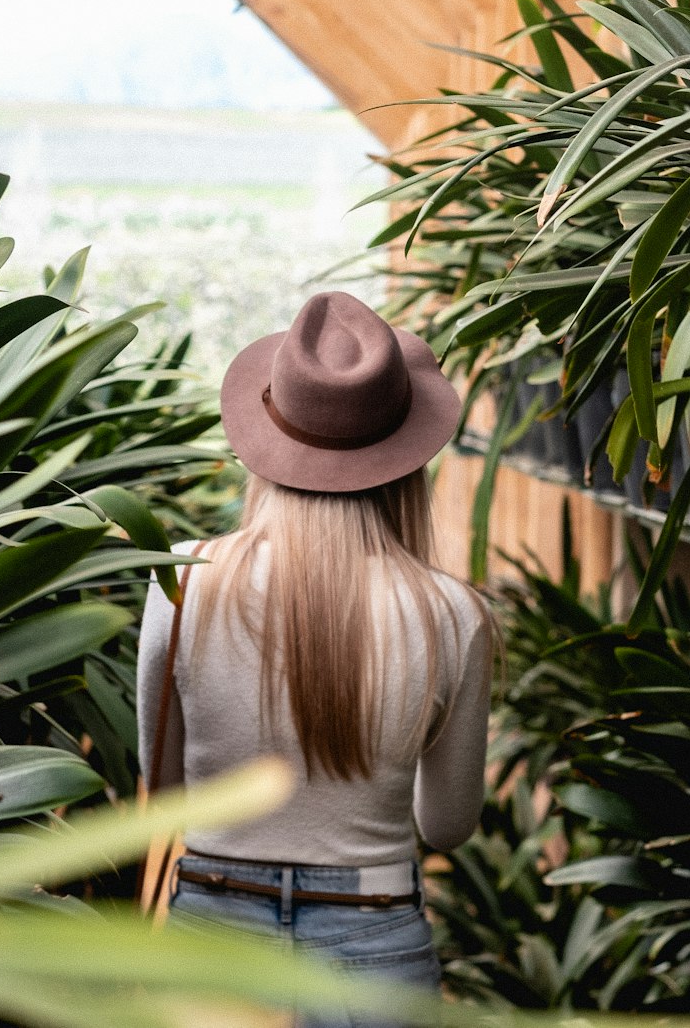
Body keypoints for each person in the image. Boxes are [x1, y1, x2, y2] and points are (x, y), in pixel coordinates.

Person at [137, 291, 494, 1027]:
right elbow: (447, 824)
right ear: (406, 462)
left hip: (212, 931)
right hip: (375, 934)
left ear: (266, 441)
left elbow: (167, 787)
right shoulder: (454, 613)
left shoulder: (184, 576)